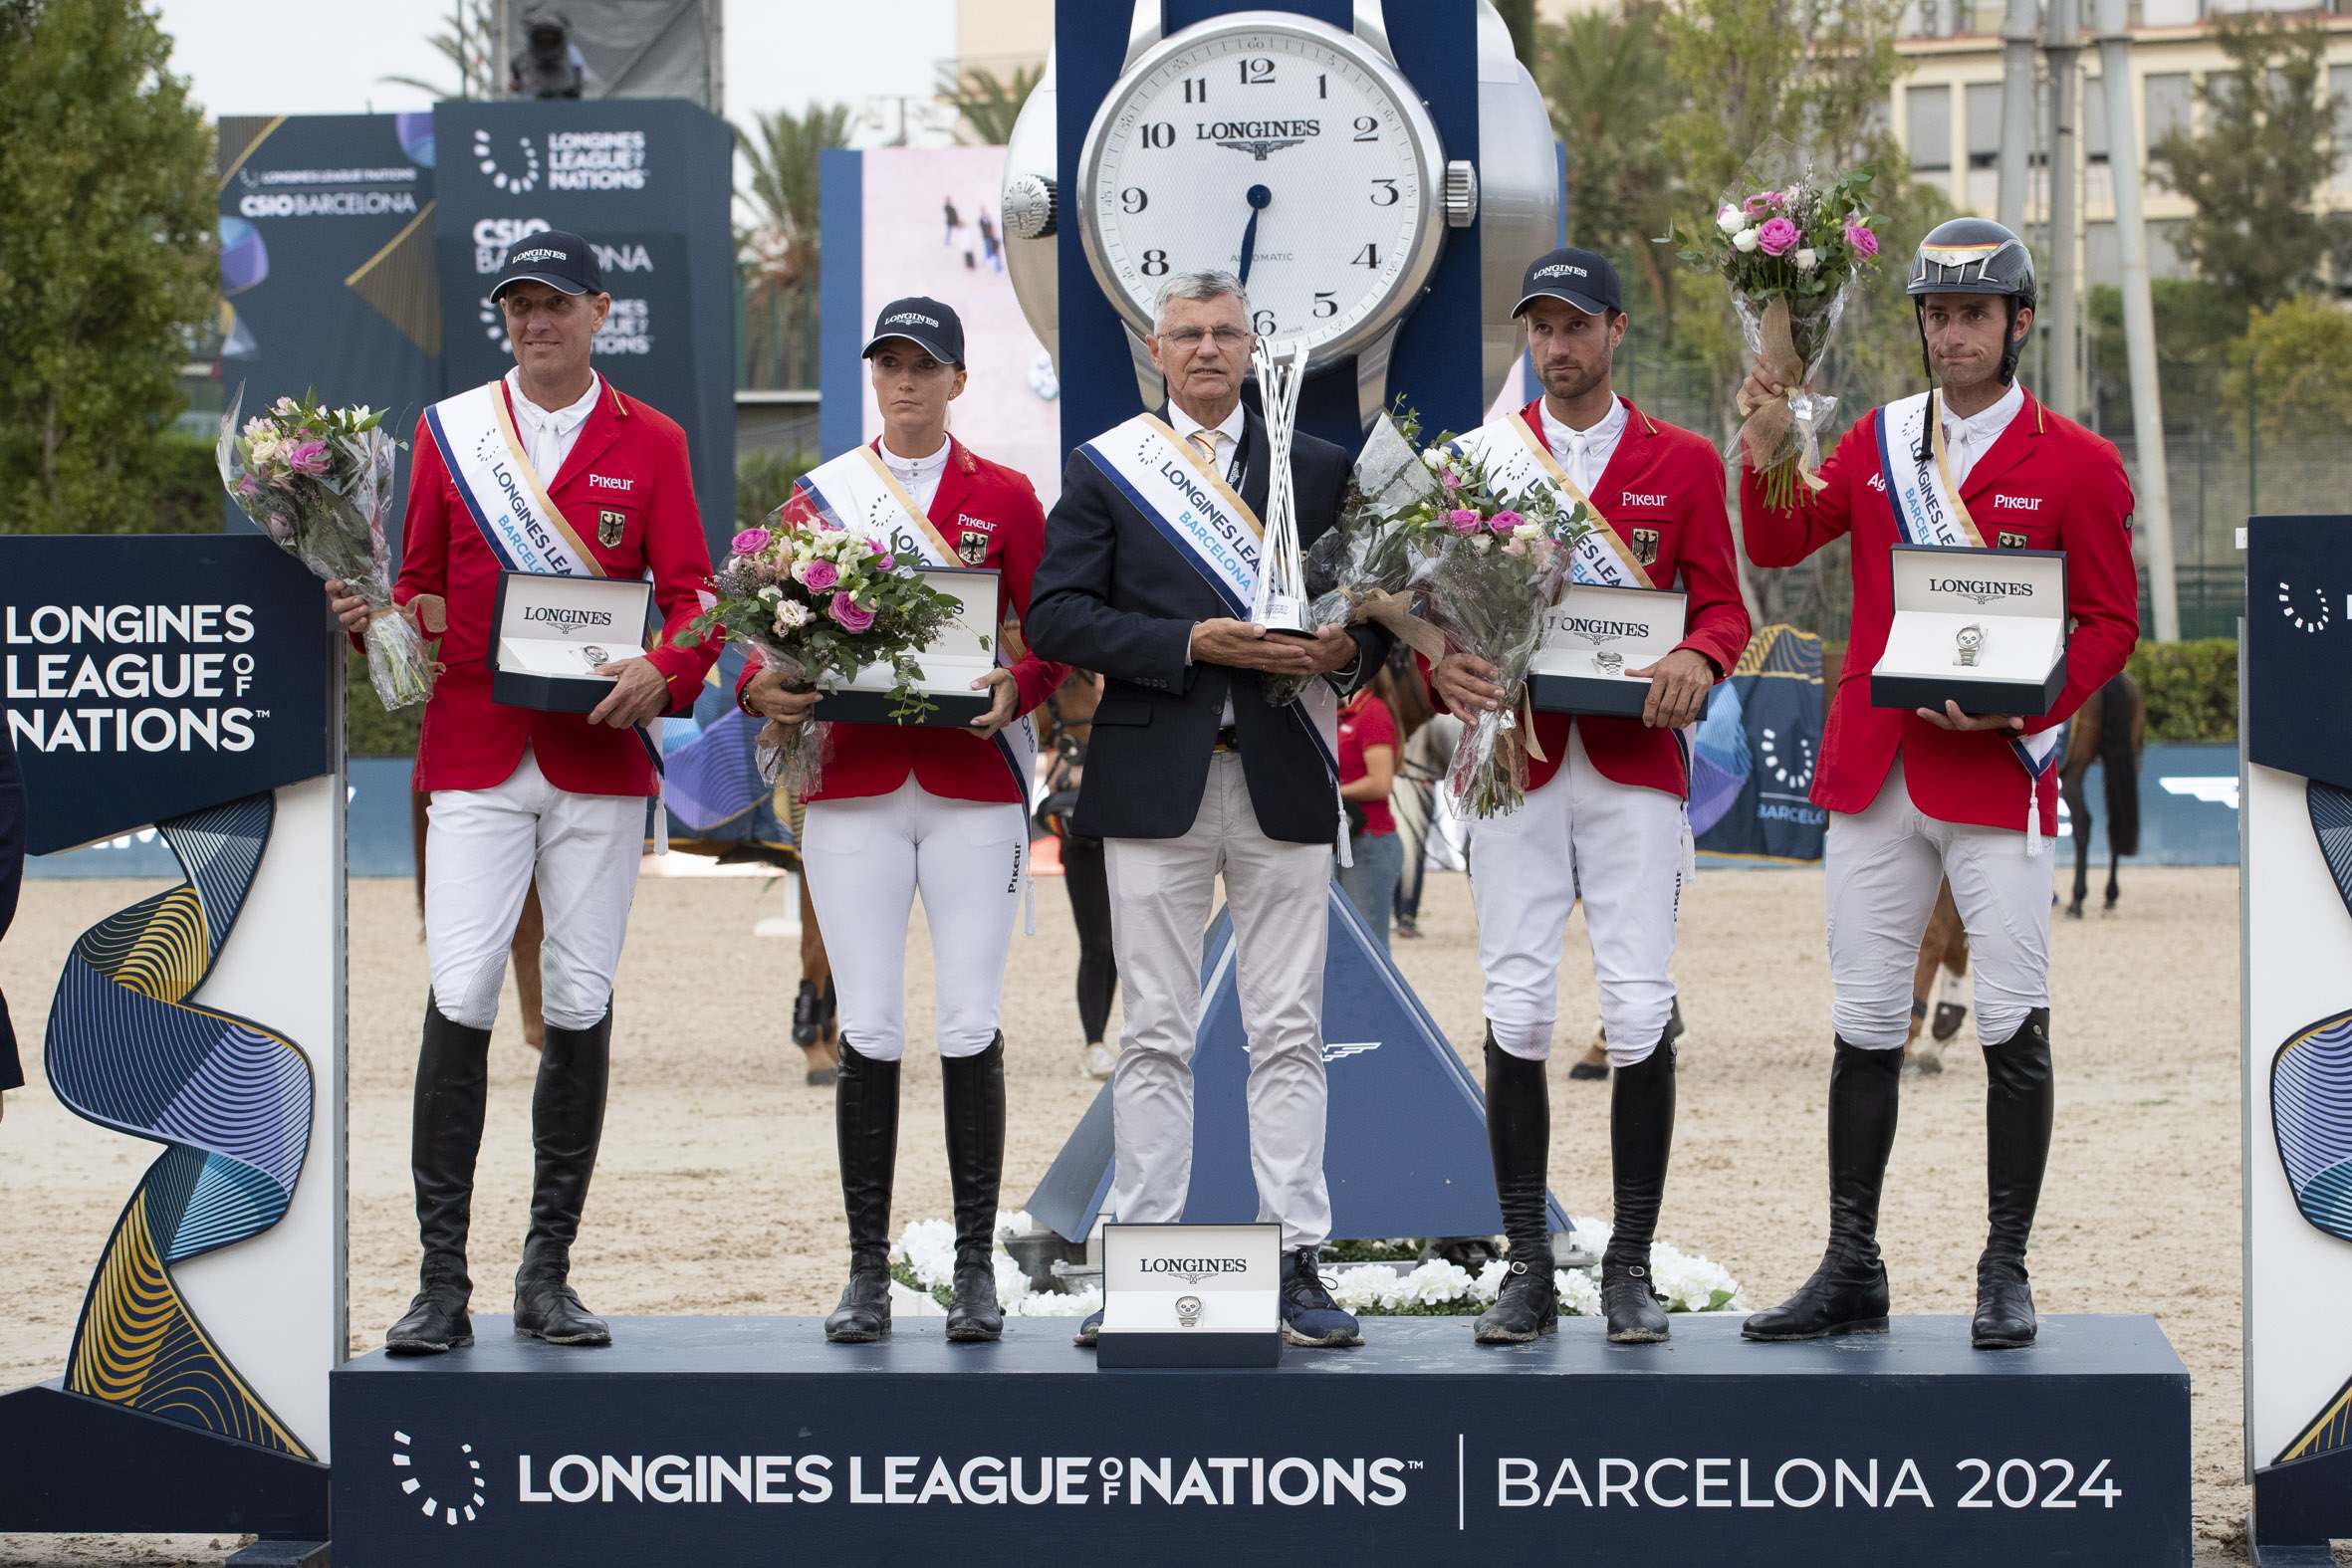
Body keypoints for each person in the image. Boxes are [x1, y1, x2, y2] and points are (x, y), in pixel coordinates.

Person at [1735, 217, 2139, 1350]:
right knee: (1864, 1023)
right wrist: (1766, 445)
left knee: (2011, 1023)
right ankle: (1850, 1261)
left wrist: (2037, 703)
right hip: (1876, 768)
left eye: (1971, 315)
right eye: (1935, 315)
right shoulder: (1875, 438)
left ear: (2016, 323)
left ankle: (2003, 1268)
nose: (1950, 334)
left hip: (1995, 770)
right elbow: (1775, 546)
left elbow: (2112, 623)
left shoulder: (2079, 463)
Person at [327, 230, 720, 1354]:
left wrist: (668, 668)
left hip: (596, 755)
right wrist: (375, 626)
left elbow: (692, 595)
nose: (536, 322)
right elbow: (414, 589)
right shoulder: (450, 433)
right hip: (477, 751)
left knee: (581, 1002)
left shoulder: (653, 441)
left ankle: (547, 1272)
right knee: (460, 993)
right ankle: (439, 1281)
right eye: (519, 306)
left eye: (556, 304)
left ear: (600, 311)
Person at [1028, 270, 1391, 1351]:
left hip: (1282, 770)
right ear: (1155, 349)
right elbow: (1056, 616)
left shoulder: (1318, 469)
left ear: (1252, 348)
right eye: (1185, 334)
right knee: (1153, 1030)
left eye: (1225, 332)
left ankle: (1296, 1260)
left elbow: (1370, 612)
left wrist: (1350, 652)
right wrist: (1189, 643)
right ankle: (1142, 1258)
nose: (1205, 350)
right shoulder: (1107, 473)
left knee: (1290, 1029)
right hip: (1155, 776)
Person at [1429, 246, 1753, 1346]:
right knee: (1515, 1004)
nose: (1557, 348)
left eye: (1575, 327)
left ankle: (1627, 1266)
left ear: (1615, 331)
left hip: (1635, 766)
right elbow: (1435, 615)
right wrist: (1440, 667)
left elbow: (1724, 608)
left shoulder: (1685, 459)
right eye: (1540, 329)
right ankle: (1525, 1261)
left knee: (1636, 1006)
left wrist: (1702, 662)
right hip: (1513, 758)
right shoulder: (1478, 460)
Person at [739, 297, 1068, 1345]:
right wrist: (762, 687)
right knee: (870, 1026)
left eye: (925, 365)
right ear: (871, 378)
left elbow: (1052, 627)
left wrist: (1022, 681)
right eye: (889, 363)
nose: (906, 381)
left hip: (971, 785)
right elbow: (763, 641)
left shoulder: (1007, 497)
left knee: (969, 1022)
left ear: (959, 381)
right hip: (855, 787)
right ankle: (866, 1273)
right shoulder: (817, 501)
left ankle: (974, 1269)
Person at [1037, 670, 1119, 1080]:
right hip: (1083, 832)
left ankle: (1108, 1038)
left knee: (1121, 944)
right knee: (1097, 942)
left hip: (1126, 825)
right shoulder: (1071, 684)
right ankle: (1094, 1042)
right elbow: (1054, 756)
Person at [1333, 671, 1403, 950]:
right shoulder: (1343, 714)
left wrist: (1331, 792)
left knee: (1368, 944)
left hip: (1370, 840)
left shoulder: (1373, 713)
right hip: (1347, 839)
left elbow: (1380, 782)